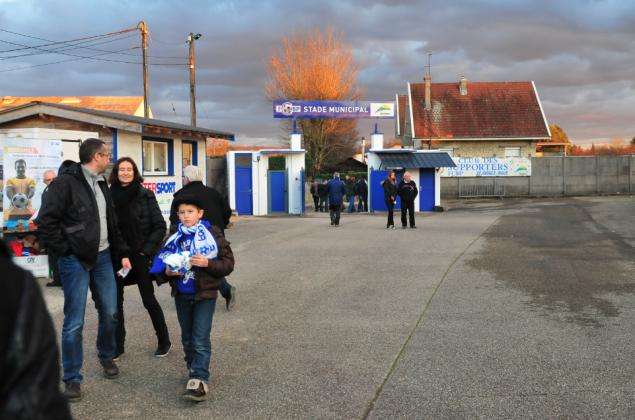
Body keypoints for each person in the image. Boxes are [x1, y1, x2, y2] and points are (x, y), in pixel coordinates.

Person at [37, 138, 131, 402]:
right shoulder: (64, 184)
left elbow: (111, 222)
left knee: (111, 312)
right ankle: (72, 379)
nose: (110, 159)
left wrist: (121, 252)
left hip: (102, 257)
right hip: (74, 260)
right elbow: (46, 222)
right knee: (74, 321)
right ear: (96, 156)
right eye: (107, 155)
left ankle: (106, 355)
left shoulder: (102, 183)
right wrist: (65, 250)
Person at [152, 195, 235, 402]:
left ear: (200, 213)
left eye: (190, 212)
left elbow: (228, 263)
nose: (186, 216)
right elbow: (160, 265)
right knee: (187, 339)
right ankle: (193, 370)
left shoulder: (212, 234)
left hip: (205, 294)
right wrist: (167, 274)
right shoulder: (174, 236)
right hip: (182, 295)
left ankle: (199, 378)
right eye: (182, 212)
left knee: (199, 339)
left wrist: (208, 263)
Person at [0, 239, 72, 419]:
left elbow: (35, 389)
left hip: (95, 256)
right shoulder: (15, 281)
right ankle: (73, 378)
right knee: (75, 320)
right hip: (74, 256)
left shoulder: (14, 281)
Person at [109, 157, 171, 359]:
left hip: (140, 255)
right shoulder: (108, 196)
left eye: (129, 169)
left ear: (135, 172)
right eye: (121, 169)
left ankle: (164, 340)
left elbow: (160, 226)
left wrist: (146, 251)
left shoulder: (145, 194)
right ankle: (118, 345)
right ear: (116, 173)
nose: (125, 173)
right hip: (118, 256)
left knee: (148, 300)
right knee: (115, 303)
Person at [169, 165, 236, 310]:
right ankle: (224, 291)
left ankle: (205, 300)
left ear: (186, 179)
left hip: (193, 239)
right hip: (215, 238)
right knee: (209, 266)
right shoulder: (213, 193)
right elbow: (227, 211)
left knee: (202, 266)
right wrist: (221, 226)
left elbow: (173, 220)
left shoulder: (181, 197)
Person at [35, 170, 62, 287]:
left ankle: (63, 281)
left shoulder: (61, 193)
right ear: (44, 181)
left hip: (58, 231)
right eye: (48, 180)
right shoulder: (45, 192)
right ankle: (57, 280)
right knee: (52, 257)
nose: (51, 182)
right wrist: (37, 220)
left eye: (53, 179)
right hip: (49, 230)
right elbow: (44, 210)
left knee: (60, 258)